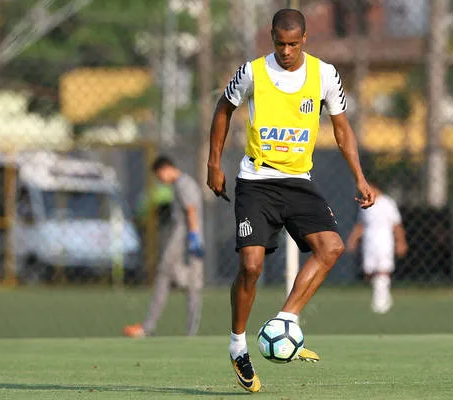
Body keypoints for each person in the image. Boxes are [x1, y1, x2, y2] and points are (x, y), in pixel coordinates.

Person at [206, 9, 374, 393]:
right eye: (279, 43)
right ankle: (237, 345)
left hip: (298, 181)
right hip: (257, 181)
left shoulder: (325, 75)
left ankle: (286, 320)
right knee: (250, 266)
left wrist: (360, 178)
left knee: (331, 247)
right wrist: (214, 163)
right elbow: (223, 109)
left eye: (292, 44)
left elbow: (343, 129)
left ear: (304, 40)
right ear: (271, 38)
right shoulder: (252, 72)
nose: (285, 51)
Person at [124, 156, 204, 338]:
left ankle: (149, 327)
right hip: (187, 239)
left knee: (169, 276)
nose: (160, 179)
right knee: (188, 282)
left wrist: (194, 236)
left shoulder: (183, 183)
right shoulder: (179, 184)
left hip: (184, 239)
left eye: (159, 175)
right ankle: (185, 331)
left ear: (166, 169)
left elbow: (191, 210)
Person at [346, 183, 407, 313]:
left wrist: (400, 242)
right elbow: (360, 225)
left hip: (384, 240)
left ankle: (381, 302)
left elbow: (396, 225)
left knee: (383, 269)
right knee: (370, 271)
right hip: (369, 241)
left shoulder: (387, 203)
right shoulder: (365, 205)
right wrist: (353, 239)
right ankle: (382, 296)